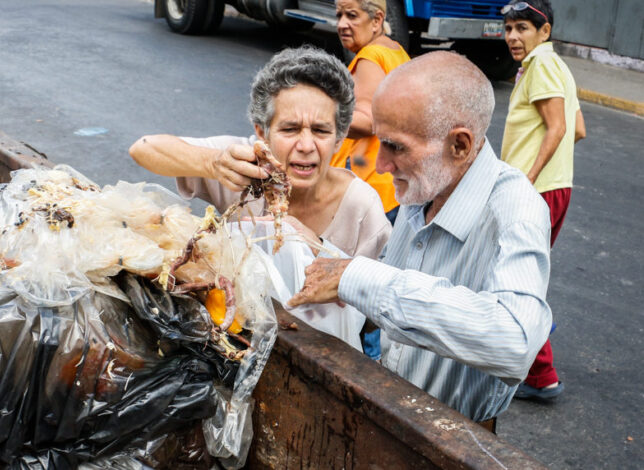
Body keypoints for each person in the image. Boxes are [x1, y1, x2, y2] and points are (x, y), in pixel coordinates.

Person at [289, 51, 553, 429]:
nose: (381, 164)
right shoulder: (426, 187)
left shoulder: (516, 209)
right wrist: (318, 253)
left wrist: (355, 278)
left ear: (459, 145)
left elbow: (515, 339)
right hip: (390, 412)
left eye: (395, 147)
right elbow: (391, 285)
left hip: (453, 438)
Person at [129, 45, 391, 262]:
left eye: (321, 131)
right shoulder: (243, 165)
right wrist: (212, 163)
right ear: (262, 132)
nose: (306, 145)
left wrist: (320, 249)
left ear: (339, 139)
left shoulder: (361, 206)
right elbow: (143, 147)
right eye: (290, 129)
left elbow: (379, 303)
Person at [500, 0, 586, 401]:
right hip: (552, 188)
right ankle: (535, 357)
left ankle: (541, 375)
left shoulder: (544, 66)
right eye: (509, 28)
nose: (514, 37)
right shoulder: (553, 67)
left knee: (516, 277)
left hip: (538, 190)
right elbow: (578, 130)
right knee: (519, 273)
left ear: (544, 31)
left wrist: (527, 179)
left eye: (523, 28)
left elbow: (559, 127)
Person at [333, 0, 410, 225]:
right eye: (339, 16)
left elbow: (367, 121)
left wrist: (321, 115)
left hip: (368, 185)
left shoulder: (370, 57)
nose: (342, 24)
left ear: (376, 20)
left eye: (352, 16)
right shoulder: (395, 51)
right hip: (391, 184)